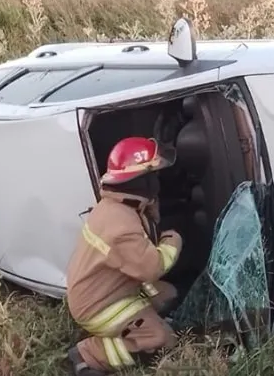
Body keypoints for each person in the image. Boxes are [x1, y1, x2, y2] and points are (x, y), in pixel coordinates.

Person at [66, 136, 184, 376]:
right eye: (154, 176)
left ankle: (133, 327)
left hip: (112, 289)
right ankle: (89, 354)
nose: (157, 182)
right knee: (161, 337)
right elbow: (152, 267)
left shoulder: (118, 206)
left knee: (169, 295)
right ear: (142, 180)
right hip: (101, 306)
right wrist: (173, 242)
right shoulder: (121, 226)